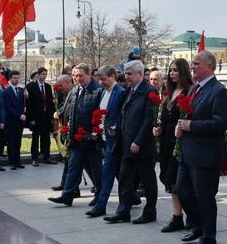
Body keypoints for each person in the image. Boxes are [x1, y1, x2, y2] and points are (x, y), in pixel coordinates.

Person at [175, 51, 227, 244]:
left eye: (197, 63)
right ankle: (198, 226)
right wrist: (181, 127)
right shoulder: (193, 89)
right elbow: (187, 115)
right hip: (188, 151)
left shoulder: (219, 91)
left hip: (205, 153)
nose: (193, 66)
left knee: (205, 197)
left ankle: (209, 238)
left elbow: (221, 122)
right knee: (182, 190)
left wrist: (192, 126)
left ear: (210, 66)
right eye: (192, 63)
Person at [104, 60, 160, 224]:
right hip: (126, 143)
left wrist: (138, 141)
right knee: (124, 178)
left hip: (142, 146)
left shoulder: (150, 92)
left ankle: (150, 211)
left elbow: (149, 120)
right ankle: (123, 210)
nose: (126, 77)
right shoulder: (129, 90)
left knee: (147, 179)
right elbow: (125, 114)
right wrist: (117, 128)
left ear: (140, 74)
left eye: (129, 74)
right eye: (125, 74)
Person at [49, 63, 102, 206]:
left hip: (91, 139)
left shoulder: (98, 91)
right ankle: (67, 195)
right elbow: (71, 114)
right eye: (75, 76)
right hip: (76, 139)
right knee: (73, 167)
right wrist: (69, 136)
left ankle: (100, 194)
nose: (77, 78)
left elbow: (101, 116)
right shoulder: (74, 90)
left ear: (88, 75)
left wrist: (95, 135)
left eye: (80, 75)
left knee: (96, 170)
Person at [155, 59, 193, 232]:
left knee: (179, 181)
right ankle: (177, 217)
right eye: (170, 70)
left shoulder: (189, 91)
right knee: (169, 181)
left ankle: (192, 216)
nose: (172, 73)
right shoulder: (169, 93)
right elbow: (163, 117)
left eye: (176, 70)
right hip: (167, 142)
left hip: (181, 142)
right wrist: (158, 129)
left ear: (183, 72)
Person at [87, 65, 126, 217]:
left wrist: (115, 128)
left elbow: (122, 115)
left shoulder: (120, 92)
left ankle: (101, 205)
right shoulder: (103, 92)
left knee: (107, 173)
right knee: (117, 173)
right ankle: (133, 197)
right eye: (99, 79)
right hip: (103, 138)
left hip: (114, 140)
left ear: (112, 76)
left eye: (103, 79)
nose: (101, 82)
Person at [25, 67, 57, 166]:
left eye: (45, 74)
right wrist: (31, 118)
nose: (44, 76)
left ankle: (46, 157)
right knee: (35, 138)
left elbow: (50, 102)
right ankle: (34, 158)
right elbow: (29, 104)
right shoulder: (31, 86)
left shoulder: (47, 86)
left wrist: (52, 116)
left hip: (46, 116)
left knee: (46, 138)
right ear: (38, 75)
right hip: (36, 116)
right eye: (43, 74)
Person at [3, 70, 27, 170]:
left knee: (18, 142)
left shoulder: (21, 91)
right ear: (10, 79)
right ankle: (12, 162)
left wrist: (27, 96)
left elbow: (24, 104)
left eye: (18, 78)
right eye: (14, 78)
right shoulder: (6, 92)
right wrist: (18, 115)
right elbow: (8, 107)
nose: (16, 80)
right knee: (11, 142)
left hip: (20, 121)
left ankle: (17, 161)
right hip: (11, 121)